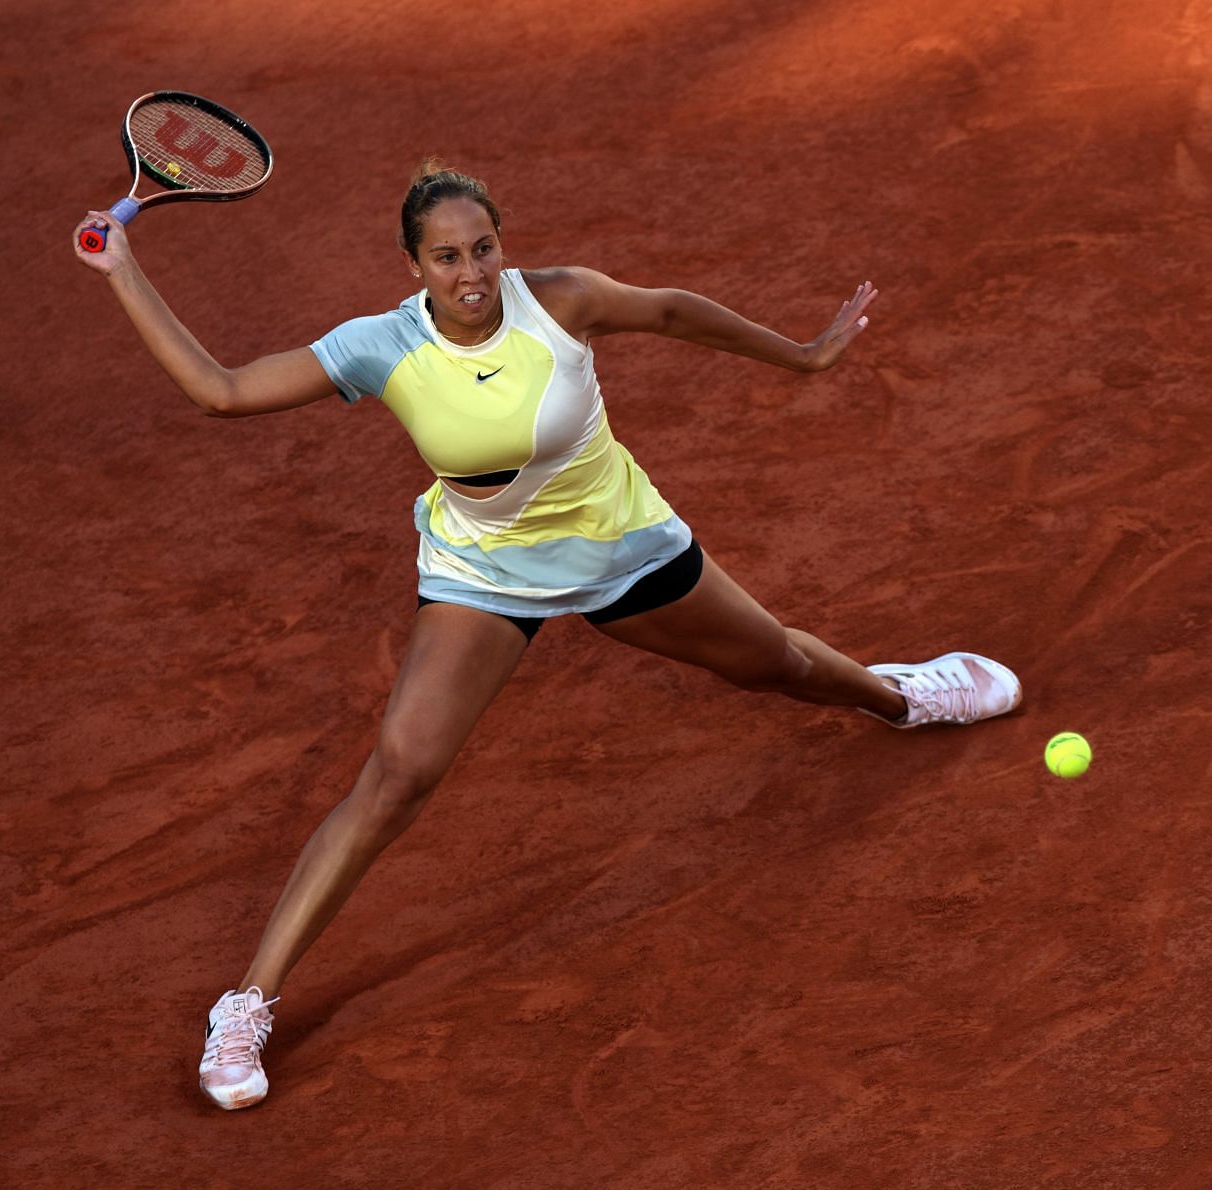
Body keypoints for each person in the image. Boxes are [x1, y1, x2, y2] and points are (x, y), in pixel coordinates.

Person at [73, 160, 1021, 1111]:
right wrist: (125, 273)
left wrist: (804, 354)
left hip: (622, 551)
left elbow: (674, 312)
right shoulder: (380, 347)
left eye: (483, 247)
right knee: (397, 776)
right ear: (413, 266)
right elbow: (223, 391)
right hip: (483, 580)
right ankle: (245, 1003)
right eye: (446, 257)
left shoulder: (561, 300)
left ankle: (901, 698)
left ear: (502, 241)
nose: (471, 273)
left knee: (774, 661)